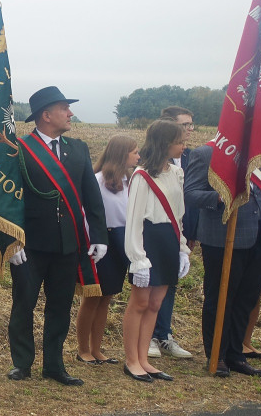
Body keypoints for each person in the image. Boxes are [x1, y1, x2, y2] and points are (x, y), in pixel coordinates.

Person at [7, 86, 107, 387]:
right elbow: (9, 198)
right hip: (30, 245)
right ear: (46, 115)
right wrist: (11, 240)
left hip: (67, 243)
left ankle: (54, 364)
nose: (70, 113)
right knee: (23, 304)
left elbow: (91, 195)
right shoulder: (19, 149)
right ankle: (22, 363)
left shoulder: (78, 149)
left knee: (60, 306)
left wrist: (98, 235)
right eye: (65, 108)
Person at [185, 143, 261, 378]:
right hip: (222, 237)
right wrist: (219, 196)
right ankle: (216, 355)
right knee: (219, 298)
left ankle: (236, 355)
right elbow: (191, 192)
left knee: (246, 299)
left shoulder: (260, 152)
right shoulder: (206, 153)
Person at [121, 121, 190, 382]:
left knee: (155, 304)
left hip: (168, 240)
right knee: (139, 302)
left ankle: (144, 359)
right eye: (179, 141)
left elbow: (179, 215)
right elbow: (134, 220)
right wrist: (137, 258)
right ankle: (131, 361)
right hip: (147, 239)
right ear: (165, 143)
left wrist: (182, 248)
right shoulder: (141, 176)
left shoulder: (175, 173)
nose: (184, 145)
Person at [76, 135, 139, 366]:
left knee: (107, 298)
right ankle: (83, 349)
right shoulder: (97, 180)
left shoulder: (131, 179)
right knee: (92, 298)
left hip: (121, 243)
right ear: (122, 153)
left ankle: (97, 349)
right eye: (134, 151)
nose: (138, 156)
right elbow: (87, 214)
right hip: (100, 243)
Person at [149, 106, 197, 360]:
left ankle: (164, 334)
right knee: (151, 285)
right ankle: (149, 337)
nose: (190, 130)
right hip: (154, 231)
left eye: (191, 125)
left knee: (171, 283)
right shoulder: (150, 161)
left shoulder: (191, 157)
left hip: (181, 231)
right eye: (185, 125)